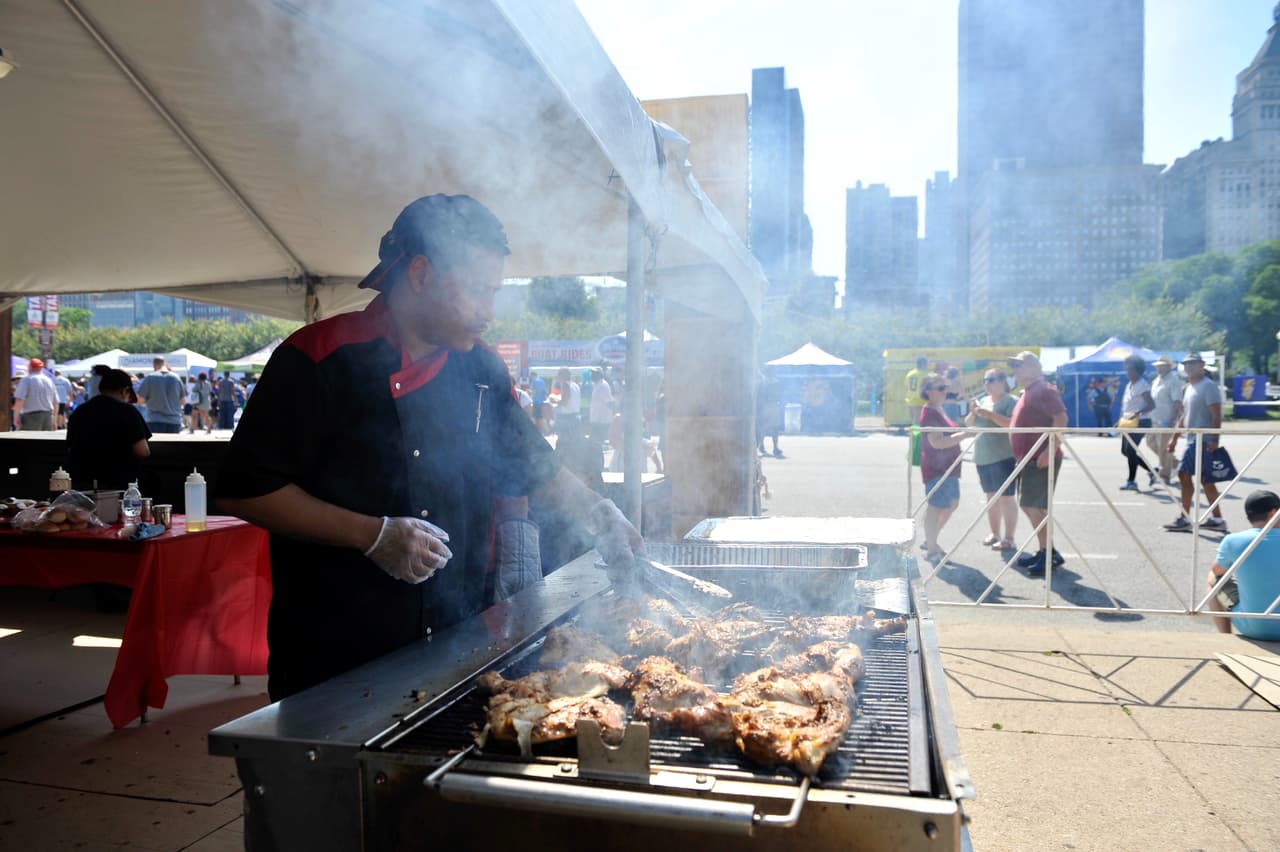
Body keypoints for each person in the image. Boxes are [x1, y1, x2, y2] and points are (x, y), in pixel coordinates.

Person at [214, 193, 643, 701]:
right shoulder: (318, 359)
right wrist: (373, 535)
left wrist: (598, 512)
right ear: (420, 273)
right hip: (335, 657)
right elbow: (242, 490)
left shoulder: (481, 368)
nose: (489, 310)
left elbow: (535, 468)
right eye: (478, 291)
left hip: (458, 645)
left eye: (494, 292)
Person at [1007, 351, 1068, 576]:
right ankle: (1047, 551)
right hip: (1028, 459)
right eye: (1014, 366)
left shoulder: (1044, 389)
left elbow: (1061, 419)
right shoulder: (1029, 391)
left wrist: (1049, 450)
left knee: (1033, 507)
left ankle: (1048, 553)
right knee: (1030, 506)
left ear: (1034, 367)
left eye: (1019, 365)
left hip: (1039, 459)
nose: (1016, 370)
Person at [1205, 490, 1280, 640]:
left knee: (1213, 578)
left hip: (1253, 628)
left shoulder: (1232, 540)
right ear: (1273, 512)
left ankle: (1225, 637)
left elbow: (1217, 570)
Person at [1165, 353, 1227, 532]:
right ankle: (1216, 520)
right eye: (1186, 364)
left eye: (1193, 363)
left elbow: (1216, 415)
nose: (1189, 367)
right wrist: (1174, 438)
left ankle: (1188, 518)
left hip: (1204, 438)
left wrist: (1215, 439)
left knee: (1189, 475)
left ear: (1202, 365)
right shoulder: (1189, 387)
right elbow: (1184, 415)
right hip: (1193, 438)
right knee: (1199, 478)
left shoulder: (1208, 386)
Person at [65, 368, 152, 491]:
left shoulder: (80, 411)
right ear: (125, 391)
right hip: (119, 484)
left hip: (81, 484)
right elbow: (142, 451)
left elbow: (70, 446)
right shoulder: (128, 412)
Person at [919, 374, 970, 563]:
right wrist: (964, 435)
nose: (944, 391)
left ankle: (931, 539)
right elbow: (937, 443)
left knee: (951, 503)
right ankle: (932, 547)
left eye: (945, 387)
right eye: (940, 388)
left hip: (948, 466)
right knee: (936, 506)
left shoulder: (939, 409)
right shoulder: (930, 412)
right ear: (928, 391)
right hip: (937, 466)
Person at [966, 368, 1018, 551]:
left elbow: (1012, 425)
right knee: (991, 498)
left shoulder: (1011, 401)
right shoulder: (984, 401)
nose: (987, 383)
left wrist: (990, 415)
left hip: (1003, 456)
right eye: (985, 380)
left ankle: (1009, 537)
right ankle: (994, 533)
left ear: (1003, 381)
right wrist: (973, 412)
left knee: (1006, 498)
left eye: (991, 379)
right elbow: (968, 423)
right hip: (982, 457)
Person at [1117, 355, 1156, 491]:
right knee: (1125, 451)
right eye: (1126, 368)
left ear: (1138, 370)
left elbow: (1151, 405)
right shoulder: (1129, 385)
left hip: (1141, 422)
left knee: (1130, 450)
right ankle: (1152, 471)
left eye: (1130, 369)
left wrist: (1138, 413)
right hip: (1128, 422)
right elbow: (1127, 405)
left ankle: (1131, 481)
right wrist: (1120, 420)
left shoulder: (1142, 385)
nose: (1127, 371)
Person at [1146, 355, 1184, 484]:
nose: (1159, 368)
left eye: (1162, 365)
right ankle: (1177, 464)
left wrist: (1173, 420)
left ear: (1169, 367)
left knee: (1164, 447)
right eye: (1158, 366)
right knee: (1150, 443)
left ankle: (1165, 474)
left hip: (1167, 419)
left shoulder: (1173, 380)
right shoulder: (1156, 380)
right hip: (1155, 418)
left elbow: (1177, 402)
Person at [136, 357, 186, 434]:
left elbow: (140, 401)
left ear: (154, 365)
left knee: (157, 446)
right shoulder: (176, 378)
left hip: (155, 419)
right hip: (174, 420)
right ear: (165, 364)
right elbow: (183, 401)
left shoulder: (150, 378)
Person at [12, 358, 58, 431]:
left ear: (30, 367)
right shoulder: (49, 381)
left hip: (31, 416)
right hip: (48, 416)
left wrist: (16, 417)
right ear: (41, 368)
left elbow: (19, 400)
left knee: (29, 441)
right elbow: (56, 402)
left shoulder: (26, 380)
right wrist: (55, 420)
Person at [756, 370, 783, 458]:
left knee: (772, 427)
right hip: (768, 406)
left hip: (770, 406)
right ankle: (763, 445)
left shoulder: (766, 382)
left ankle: (770, 446)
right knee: (766, 427)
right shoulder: (766, 382)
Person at [588, 367, 613, 444]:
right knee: (595, 443)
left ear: (599, 375)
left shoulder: (602, 385)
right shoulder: (598, 384)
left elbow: (609, 402)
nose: (592, 375)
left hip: (601, 420)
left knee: (596, 442)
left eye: (594, 373)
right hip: (597, 419)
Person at [554, 367, 582, 438]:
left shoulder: (565, 385)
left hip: (567, 418)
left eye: (559, 374)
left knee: (563, 443)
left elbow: (564, 402)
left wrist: (554, 401)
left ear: (564, 375)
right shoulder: (575, 385)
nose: (558, 376)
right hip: (576, 416)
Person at [903, 356, 928, 426]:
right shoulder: (923, 374)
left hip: (910, 399)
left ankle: (914, 435)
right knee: (917, 421)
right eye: (926, 364)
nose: (927, 366)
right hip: (920, 400)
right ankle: (915, 436)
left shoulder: (910, 374)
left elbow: (906, 387)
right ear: (923, 364)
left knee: (914, 420)